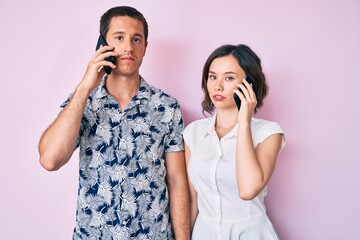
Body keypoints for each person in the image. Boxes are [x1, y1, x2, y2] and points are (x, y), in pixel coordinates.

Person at [38, 6, 190, 239]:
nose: (128, 47)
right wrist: (85, 87)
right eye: (119, 38)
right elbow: (50, 159)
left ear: (145, 47)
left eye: (136, 39)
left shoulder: (167, 107)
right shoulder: (82, 102)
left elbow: (177, 180)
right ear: (102, 44)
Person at [183, 44, 285, 239]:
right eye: (212, 76)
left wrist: (244, 123)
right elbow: (192, 200)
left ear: (249, 84)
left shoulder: (268, 133)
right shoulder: (192, 133)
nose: (218, 86)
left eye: (229, 78)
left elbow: (247, 190)